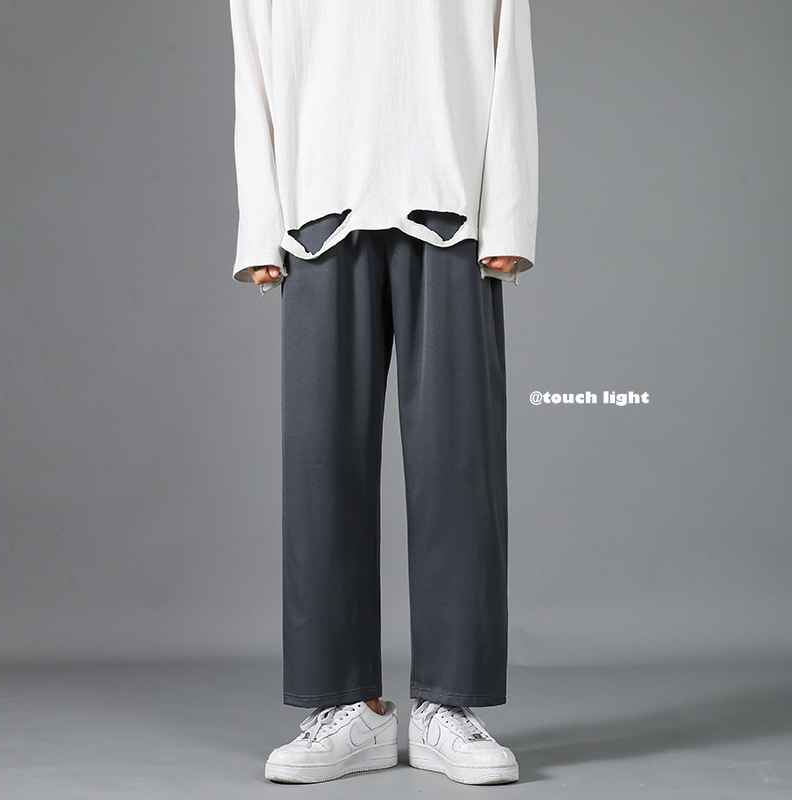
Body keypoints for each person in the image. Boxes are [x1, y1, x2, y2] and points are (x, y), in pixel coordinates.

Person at [228, 0, 538, 786]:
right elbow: (252, 66)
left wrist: (509, 217)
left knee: (459, 463)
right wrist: (259, 223)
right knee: (320, 465)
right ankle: (347, 707)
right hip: (318, 215)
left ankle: (447, 705)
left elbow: (510, 55)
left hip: (451, 210)